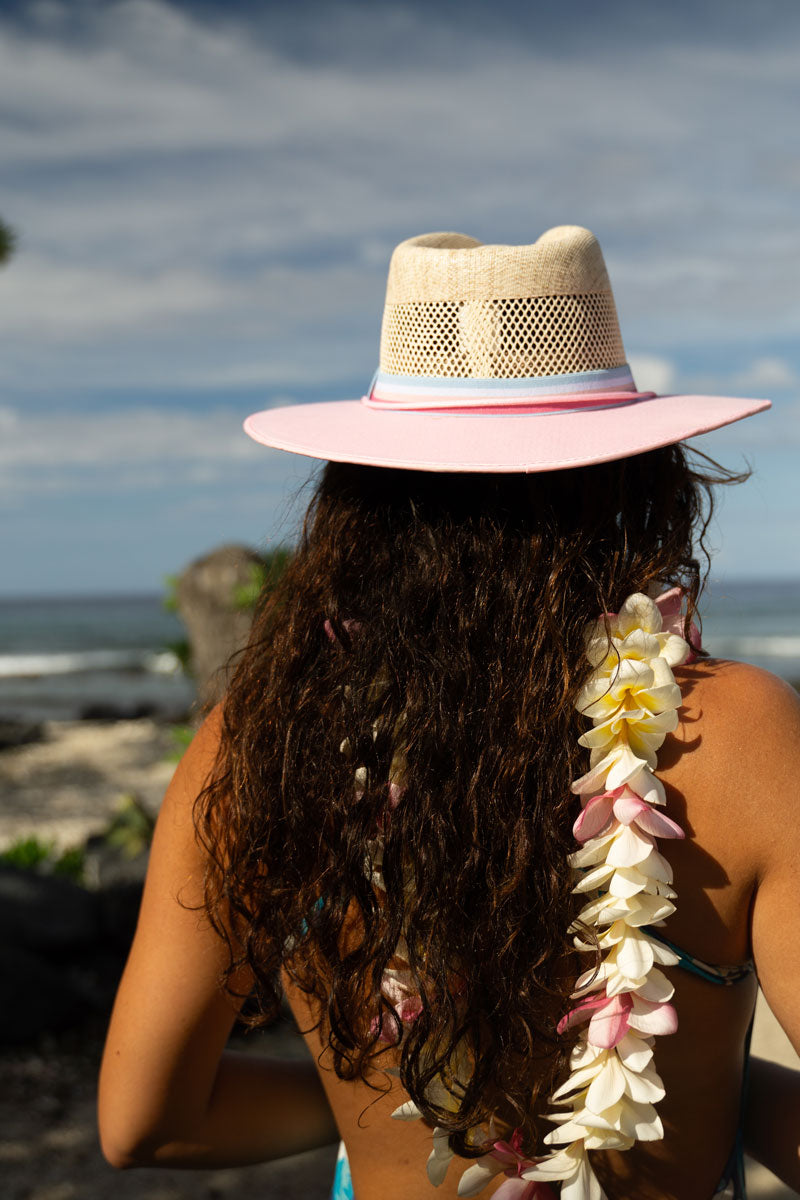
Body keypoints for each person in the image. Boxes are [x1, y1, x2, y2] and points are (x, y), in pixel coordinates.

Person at [98, 227, 799, 1200]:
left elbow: (143, 1122)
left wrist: (386, 1105)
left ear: (359, 497)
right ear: (641, 480)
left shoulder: (263, 742)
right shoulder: (736, 736)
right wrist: (725, 1098)